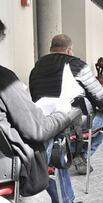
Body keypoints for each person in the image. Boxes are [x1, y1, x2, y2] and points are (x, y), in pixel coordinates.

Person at [0, 20, 77, 202]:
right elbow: (38, 130)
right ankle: (67, 196)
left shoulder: (36, 68)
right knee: (59, 137)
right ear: (69, 50)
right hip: (11, 167)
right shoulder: (5, 78)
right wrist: (64, 113)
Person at [29, 34, 103, 178]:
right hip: (74, 123)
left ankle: (71, 153)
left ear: (51, 49)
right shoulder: (77, 65)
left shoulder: (37, 67)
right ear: (69, 50)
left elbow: (33, 95)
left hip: (45, 122)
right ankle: (79, 154)